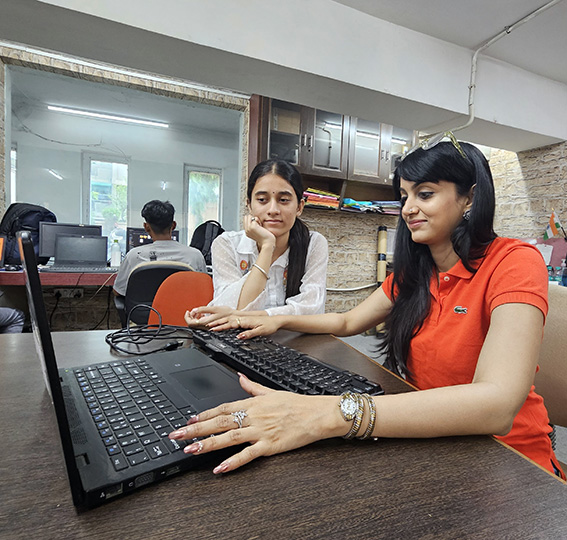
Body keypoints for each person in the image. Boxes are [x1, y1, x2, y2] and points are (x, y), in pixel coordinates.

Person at [171, 136, 565, 480]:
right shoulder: (417, 270)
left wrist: (328, 414)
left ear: (471, 197)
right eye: (405, 196)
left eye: (424, 194)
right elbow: (347, 320)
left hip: (508, 458)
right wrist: (268, 319)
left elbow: (496, 405)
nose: (409, 208)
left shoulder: (514, 261)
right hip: (431, 437)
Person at [186, 159, 328, 320]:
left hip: (297, 341)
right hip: (240, 340)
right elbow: (230, 307)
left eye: (283, 200)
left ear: (299, 207)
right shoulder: (226, 244)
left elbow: (312, 309)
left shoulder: (314, 244)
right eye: (262, 200)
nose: (273, 210)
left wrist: (264, 317)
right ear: (249, 205)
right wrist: (267, 247)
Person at [113, 200, 207, 296]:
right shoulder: (195, 256)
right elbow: (204, 291)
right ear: (174, 225)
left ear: (146, 227)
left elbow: (118, 291)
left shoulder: (134, 256)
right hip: (183, 311)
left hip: (143, 311)